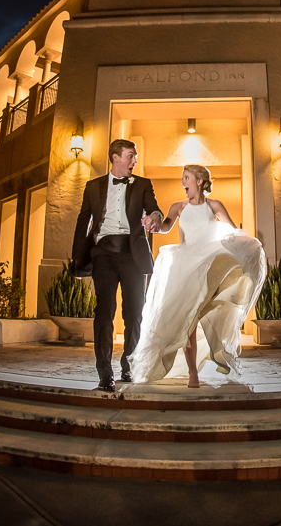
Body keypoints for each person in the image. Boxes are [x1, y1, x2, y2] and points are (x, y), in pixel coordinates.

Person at [128, 164, 267, 387]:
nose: (182, 182)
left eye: (186, 178)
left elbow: (232, 231)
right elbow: (165, 227)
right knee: (188, 320)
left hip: (208, 265)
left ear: (199, 182)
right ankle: (193, 372)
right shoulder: (178, 207)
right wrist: (154, 224)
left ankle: (211, 348)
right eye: (182, 178)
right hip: (185, 267)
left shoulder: (214, 206)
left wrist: (246, 245)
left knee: (199, 314)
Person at [70, 138, 163, 392]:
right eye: (130, 155)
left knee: (134, 314)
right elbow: (82, 223)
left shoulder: (143, 184)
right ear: (115, 157)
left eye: (135, 156)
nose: (135, 160)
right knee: (104, 311)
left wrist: (155, 218)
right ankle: (105, 374)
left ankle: (128, 364)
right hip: (103, 255)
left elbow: (155, 210)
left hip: (132, 254)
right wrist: (78, 260)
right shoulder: (93, 187)